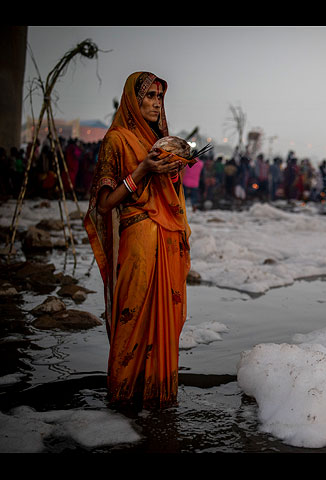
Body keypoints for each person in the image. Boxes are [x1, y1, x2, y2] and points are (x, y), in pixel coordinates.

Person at [83, 72, 191, 409]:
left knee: (166, 319)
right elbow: (103, 204)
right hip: (138, 236)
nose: (157, 103)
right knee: (131, 315)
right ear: (134, 100)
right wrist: (142, 171)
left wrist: (173, 170)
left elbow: (172, 193)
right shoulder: (117, 139)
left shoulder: (162, 141)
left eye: (160, 97)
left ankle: (157, 394)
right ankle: (123, 396)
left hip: (167, 238)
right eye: (150, 96)